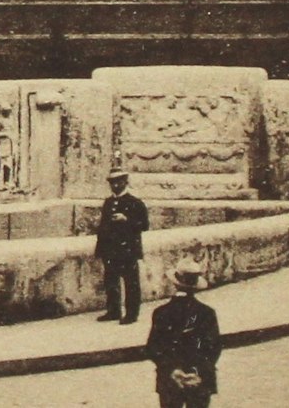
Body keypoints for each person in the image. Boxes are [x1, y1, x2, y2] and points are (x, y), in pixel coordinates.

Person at [146, 259, 221, 407]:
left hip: (170, 379)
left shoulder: (161, 313)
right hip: (199, 379)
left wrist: (173, 369)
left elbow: (153, 348)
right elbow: (213, 348)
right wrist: (196, 371)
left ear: (175, 283)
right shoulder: (207, 313)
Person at [96, 168, 150, 324]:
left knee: (131, 283)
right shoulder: (108, 203)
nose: (115, 185)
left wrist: (126, 219)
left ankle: (132, 314)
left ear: (125, 182)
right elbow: (103, 227)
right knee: (111, 281)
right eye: (112, 182)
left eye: (119, 182)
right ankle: (113, 311)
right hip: (111, 250)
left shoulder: (135, 203)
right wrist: (101, 249)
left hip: (128, 250)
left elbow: (144, 225)